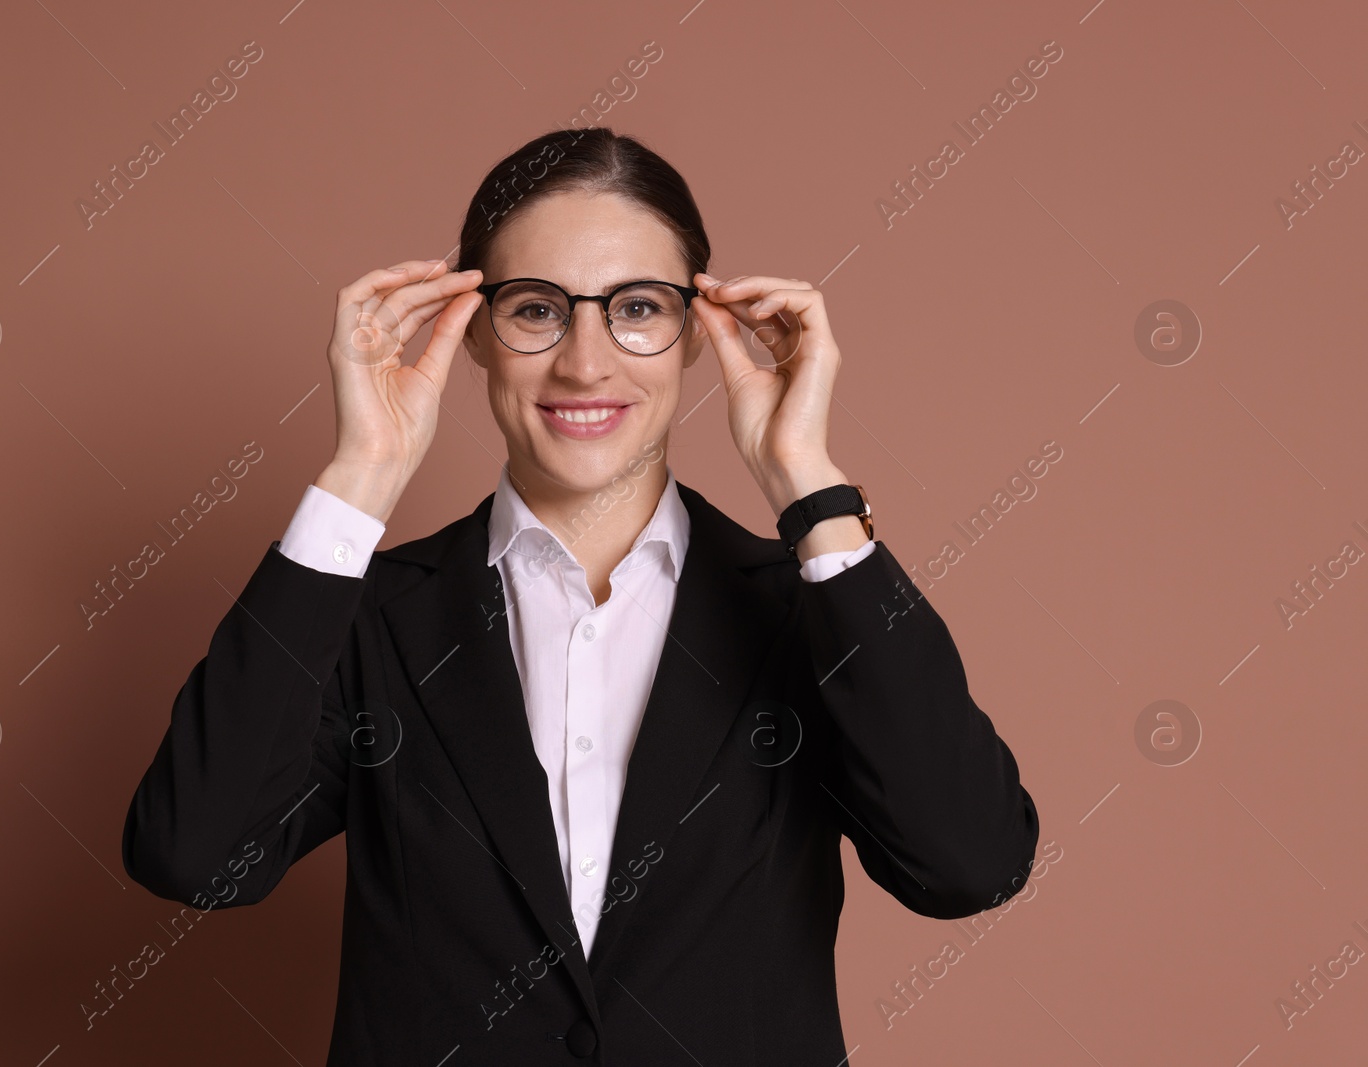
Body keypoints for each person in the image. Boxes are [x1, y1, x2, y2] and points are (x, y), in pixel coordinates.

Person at [121, 127, 1039, 1064]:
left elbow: (968, 863)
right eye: (536, 309)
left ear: (696, 333)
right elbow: (195, 857)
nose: (585, 363)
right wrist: (362, 474)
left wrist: (808, 483)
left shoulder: (810, 608)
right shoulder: (369, 616)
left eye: (637, 307)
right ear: (473, 328)